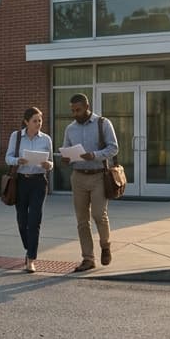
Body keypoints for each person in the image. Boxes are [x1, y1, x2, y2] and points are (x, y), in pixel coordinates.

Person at [62, 93, 119, 273]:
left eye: (78, 110)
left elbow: (113, 148)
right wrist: (66, 158)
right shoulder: (70, 129)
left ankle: (105, 245)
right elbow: (66, 149)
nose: (75, 114)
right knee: (82, 220)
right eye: (72, 111)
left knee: (98, 214)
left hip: (98, 176)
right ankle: (88, 258)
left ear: (87, 107)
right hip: (78, 176)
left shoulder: (103, 123)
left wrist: (94, 155)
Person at [6, 107, 54, 273]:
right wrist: (18, 160)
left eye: (40, 120)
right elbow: (8, 158)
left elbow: (51, 162)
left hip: (39, 183)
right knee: (22, 220)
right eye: (35, 121)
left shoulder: (46, 139)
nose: (38, 123)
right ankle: (29, 247)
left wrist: (48, 165)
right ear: (26, 122)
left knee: (35, 220)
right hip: (21, 182)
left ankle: (31, 258)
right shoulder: (16, 136)